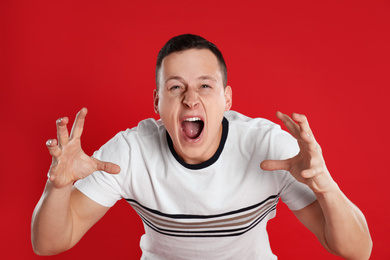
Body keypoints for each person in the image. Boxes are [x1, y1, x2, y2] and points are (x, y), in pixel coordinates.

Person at [31, 34, 372, 259]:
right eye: (176, 87)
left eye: (205, 86)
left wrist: (325, 186)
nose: (191, 98)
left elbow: (358, 251)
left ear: (227, 99)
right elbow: (48, 244)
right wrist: (57, 187)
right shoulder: (130, 152)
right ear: (156, 101)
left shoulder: (268, 147)